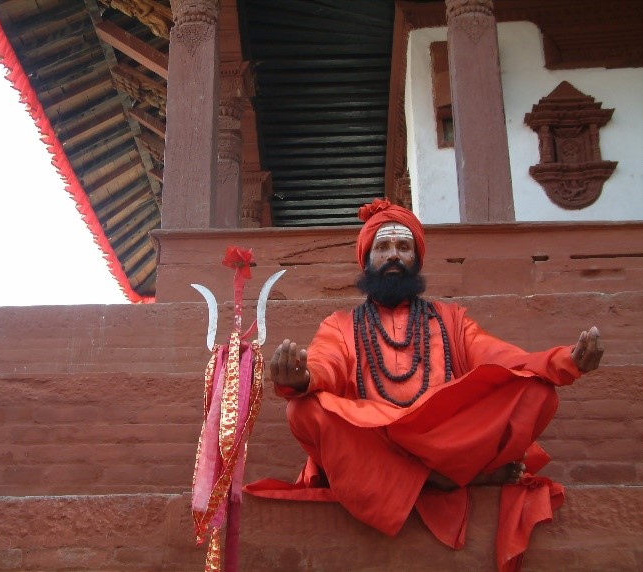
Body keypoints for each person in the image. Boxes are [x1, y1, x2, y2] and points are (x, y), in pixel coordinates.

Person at [244, 199, 603, 572]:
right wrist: (302, 378)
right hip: (375, 435)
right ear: (366, 260)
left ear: (417, 258)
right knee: (303, 409)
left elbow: (500, 357)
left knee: (537, 392)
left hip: (443, 437)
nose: (393, 255)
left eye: (403, 247)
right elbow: (326, 362)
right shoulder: (340, 324)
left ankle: (432, 473)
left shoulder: (452, 318)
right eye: (383, 247)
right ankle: (441, 479)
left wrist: (567, 361)